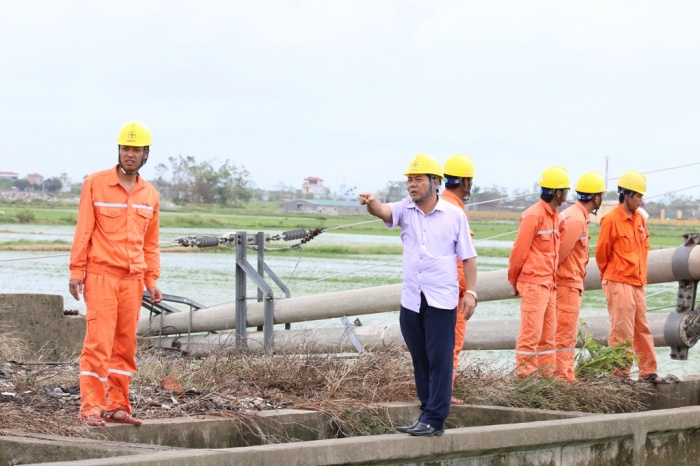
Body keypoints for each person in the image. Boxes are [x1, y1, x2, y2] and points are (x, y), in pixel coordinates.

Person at [358, 153, 477, 437]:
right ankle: (426, 414)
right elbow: (384, 212)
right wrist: (372, 203)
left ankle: (436, 419)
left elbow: (469, 258)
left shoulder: (454, 215)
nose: (412, 185)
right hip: (412, 299)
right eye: (410, 180)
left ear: (436, 182)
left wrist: (470, 292)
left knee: (440, 358)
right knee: (420, 358)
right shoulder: (404, 209)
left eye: (418, 179)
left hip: (441, 299)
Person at [69, 120, 163, 427]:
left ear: (146, 153)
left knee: (125, 346)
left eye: (136, 150)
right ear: (118, 151)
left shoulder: (150, 194)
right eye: (125, 148)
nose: (129, 154)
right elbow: (84, 229)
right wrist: (76, 270)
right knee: (98, 343)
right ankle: (90, 409)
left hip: (133, 280)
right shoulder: (96, 183)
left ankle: (117, 405)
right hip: (101, 275)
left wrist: (151, 279)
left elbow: (151, 243)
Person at [594, 170, 669, 384]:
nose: (641, 201)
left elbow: (644, 247)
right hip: (618, 281)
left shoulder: (639, 220)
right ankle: (620, 375)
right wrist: (611, 278)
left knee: (642, 328)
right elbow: (602, 254)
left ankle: (648, 372)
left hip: (637, 282)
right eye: (638, 196)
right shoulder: (611, 220)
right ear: (626, 195)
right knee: (621, 329)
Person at [508, 166, 569, 379]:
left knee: (548, 338)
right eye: (565, 191)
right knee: (530, 336)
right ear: (557, 192)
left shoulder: (555, 217)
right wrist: (514, 280)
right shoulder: (533, 215)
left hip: (549, 284)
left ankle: (546, 378)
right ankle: (525, 379)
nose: (567, 195)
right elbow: (518, 252)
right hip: (534, 284)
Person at [554, 171, 606, 383]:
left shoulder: (575, 216)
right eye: (600, 195)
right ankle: (563, 379)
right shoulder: (576, 220)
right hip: (566, 285)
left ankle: (565, 376)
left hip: (570, 284)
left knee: (565, 334)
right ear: (595, 198)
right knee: (564, 335)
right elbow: (558, 256)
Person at [441, 154, 477, 404]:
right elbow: (459, 257)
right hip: (451, 291)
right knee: (451, 343)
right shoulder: (455, 210)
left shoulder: (441, 203)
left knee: (438, 343)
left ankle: (438, 391)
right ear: (464, 182)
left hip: (440, 287)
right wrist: (468, 291)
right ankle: (444, 393)